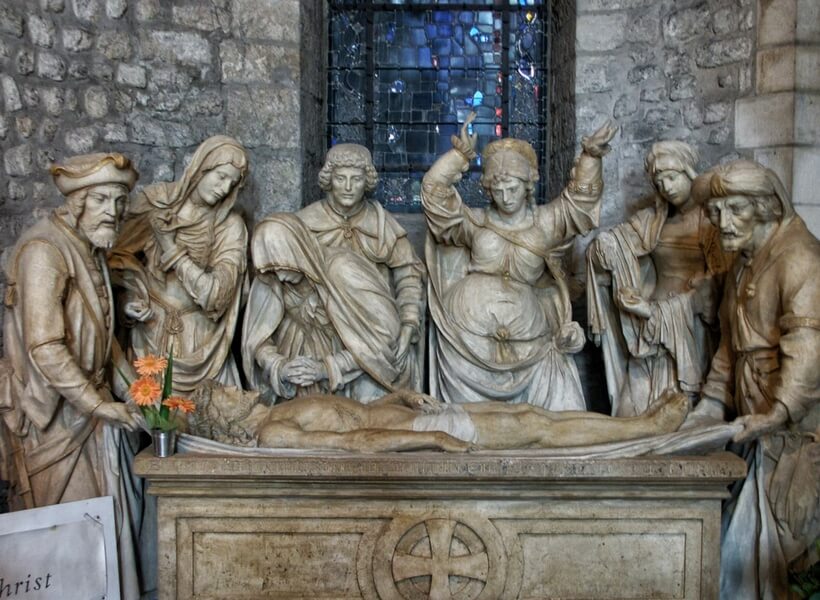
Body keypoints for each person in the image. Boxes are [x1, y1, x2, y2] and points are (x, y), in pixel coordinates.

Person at [0, 152, 143, 597]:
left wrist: (136, 389)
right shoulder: (44, 250)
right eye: (102, 199)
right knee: (67, 538)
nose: (113, 212)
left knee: (106, 528)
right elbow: (45, 346)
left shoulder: (89, 247)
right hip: (54, 421)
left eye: (119, 201)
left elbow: (104, 337)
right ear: (77, 200)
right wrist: (100, 403)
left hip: (91, 417)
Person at [686, 160, 819, 599]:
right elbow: (730, 343)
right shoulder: (744, 260)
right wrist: (707, 405)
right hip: (753, 426)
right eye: (716, 212)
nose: (722, 223)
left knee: (769, 555)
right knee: (734, 552)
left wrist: (778, 412)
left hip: (793, 432)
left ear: (764, 207)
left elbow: (808, 347)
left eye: (735, 210)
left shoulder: (799, 258)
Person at [422, 112, 617, 408]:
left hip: (530, 341)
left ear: (527, 186)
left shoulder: (546, 222)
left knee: (560, 413)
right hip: (467, 340)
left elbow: (580, 204)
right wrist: (459, 157)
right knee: (469, 426)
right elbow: (435, 197)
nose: (505, 196)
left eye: (512, 188)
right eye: (497, 190)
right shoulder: (475, 222)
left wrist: (590, 157)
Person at [587, 141, 731, 416]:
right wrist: (605, 246)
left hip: (690, 327)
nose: (666, 186)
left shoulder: (711, 221)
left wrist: (670, 311)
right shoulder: (652, 220)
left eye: (672, 177)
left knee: (681, 412)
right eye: (659, 180)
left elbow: (718, 281)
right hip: (648, 327)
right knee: (629, 412)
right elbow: (616, 245)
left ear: (690, 174)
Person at [109, 136, 249, 396]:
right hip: (148, 332)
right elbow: (116, 266)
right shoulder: (157, 205)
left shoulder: (230, 226)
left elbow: (216, 295)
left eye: (232, 184)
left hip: (202, 342)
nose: (224, 188)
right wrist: (126, 302)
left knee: (210, 422)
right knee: (147, 416)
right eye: (220, 176)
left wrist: (172, 249)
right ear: (201, 167)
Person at [190, 384, 690, 453]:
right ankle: (646, 430)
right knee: (534, 430)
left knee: (533, 412)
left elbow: (357, 411)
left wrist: (398, 393)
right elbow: (353, 442)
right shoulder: (273, 430)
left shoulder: (281, 405)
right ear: (224, 422)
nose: (235, 388)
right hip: (419, 431)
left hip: (414, 414)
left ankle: (636, 423)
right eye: (224, 394)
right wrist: (431, 437)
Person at [292, 143, 425, 397]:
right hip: (324, 327)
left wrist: (409, 322)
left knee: (375, 399)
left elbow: (408, 274)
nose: (349, 187)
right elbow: (287, 278)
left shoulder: (382, 223)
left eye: (356, 179)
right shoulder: (305, 224)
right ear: (329, 180)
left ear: (367, 181)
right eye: (341, 179)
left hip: (375, 329)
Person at [242, 213, 415, 403]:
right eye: (273, 270)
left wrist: (327, 368)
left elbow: (385, 336)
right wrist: (278, 366)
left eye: (284, 266)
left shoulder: (343, 269)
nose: (281, 277)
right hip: (301, 366)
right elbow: (257, 339)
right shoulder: (272, 278)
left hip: (359, 366)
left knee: (367, 416)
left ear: (297, 251)